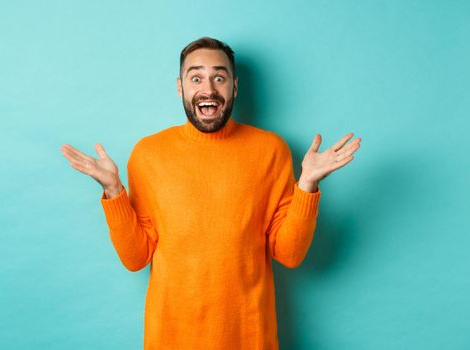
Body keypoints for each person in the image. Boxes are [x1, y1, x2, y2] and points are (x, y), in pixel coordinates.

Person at [60, 36, 361, 350]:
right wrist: (113, 191)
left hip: (250, 337)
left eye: (219, 77)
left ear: (234, 87)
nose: (208, 89)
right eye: (196, 77)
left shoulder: (271, 150)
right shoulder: (149, 154)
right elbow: (136, 258)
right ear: (181, 88)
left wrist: (307, 185)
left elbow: (289, 253)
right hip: (172, 339)